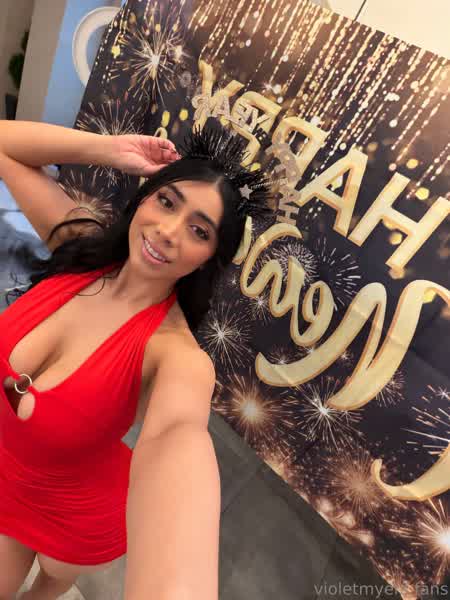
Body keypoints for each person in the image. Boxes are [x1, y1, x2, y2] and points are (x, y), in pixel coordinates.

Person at [0, 118, 271, 600]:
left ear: (210, 256)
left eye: (198, 230)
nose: (167, 231)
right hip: (7, 469)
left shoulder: (178, 358)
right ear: (144, 198)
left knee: (47, 586)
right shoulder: (80, 246)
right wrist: (107, 150)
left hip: (74, 513)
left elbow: (179, 441)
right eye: (166, 201)